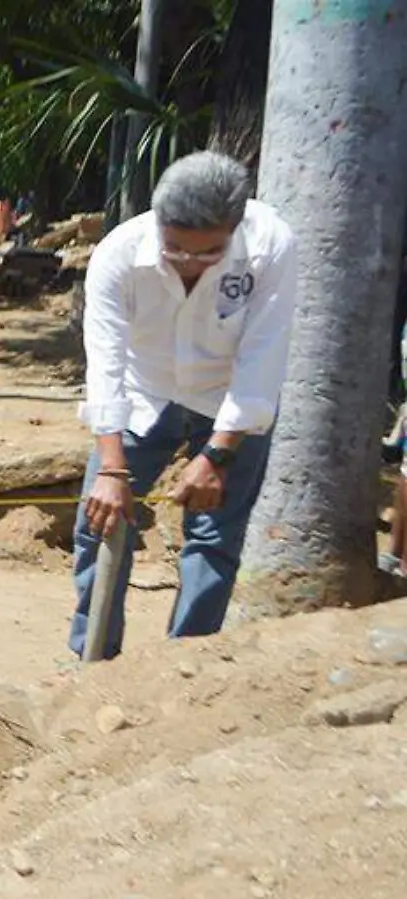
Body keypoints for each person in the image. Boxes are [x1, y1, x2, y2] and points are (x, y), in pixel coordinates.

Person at [70, 151, 297, 659]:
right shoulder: (118, 255)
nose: (189, 263)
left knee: (214, 538)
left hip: (230, 399)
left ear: (235, 229)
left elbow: (264, 355)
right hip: (144, 393)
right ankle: (93, 658)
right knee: (97, 524)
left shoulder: (271, 244)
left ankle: (182, 670)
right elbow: (104, 363)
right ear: (158, 221)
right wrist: (112, 467)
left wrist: (218, 456)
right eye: (175, 249)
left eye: (209, 253)